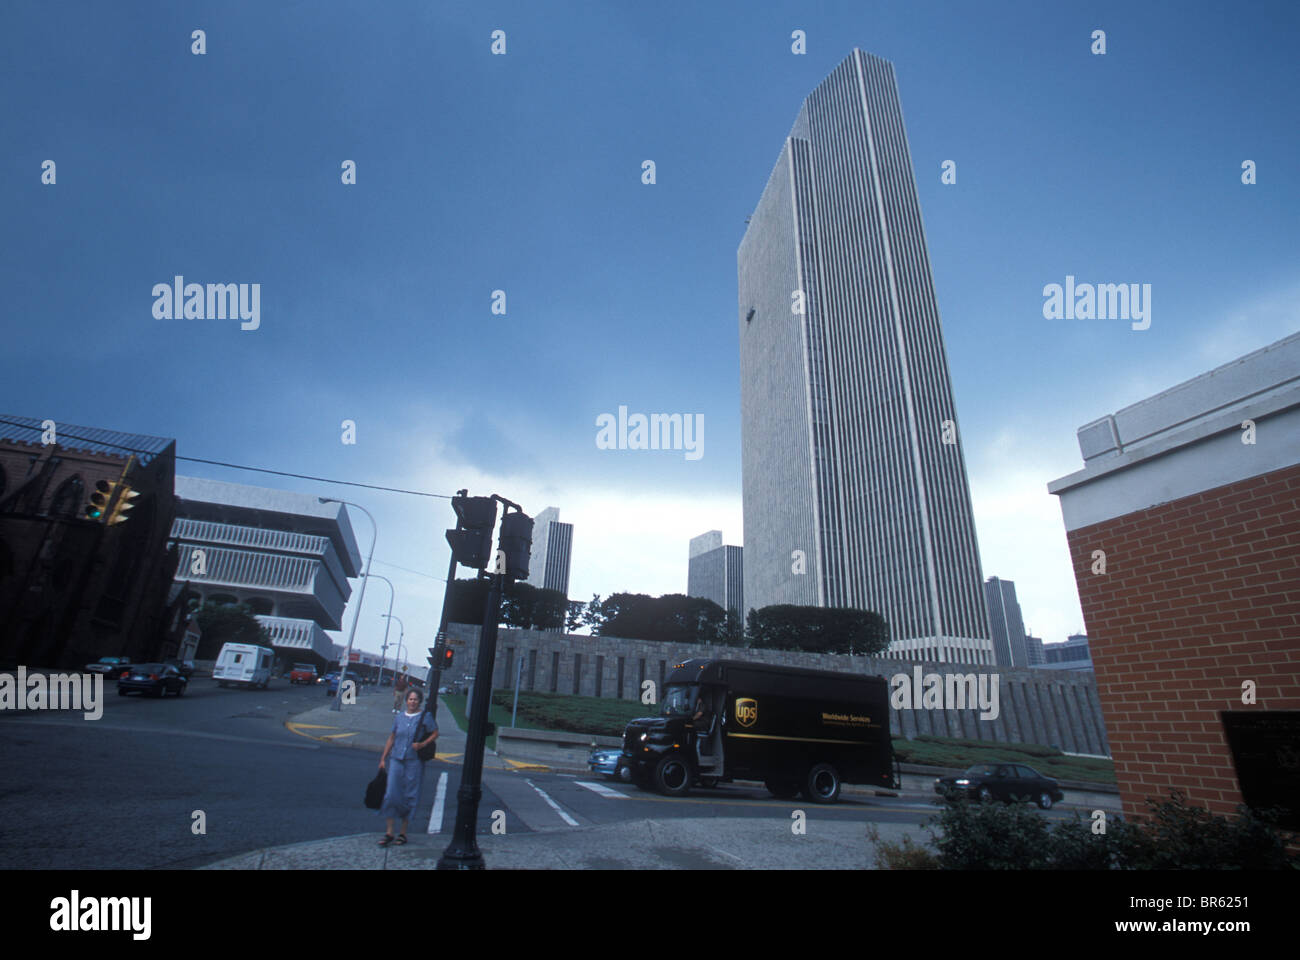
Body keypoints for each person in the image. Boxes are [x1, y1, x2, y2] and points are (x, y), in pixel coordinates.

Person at [377, 688, 438, 846]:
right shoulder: (399, 717)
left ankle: (403, 833)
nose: (412, 702)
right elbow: (392, 738)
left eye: (415, 699)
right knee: (391, 794)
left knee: (410, 795)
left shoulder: (426, 716)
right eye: (410, 699)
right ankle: (389, 832)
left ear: (419, 701)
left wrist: (422, 744)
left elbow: (435, 733)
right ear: (406, 701)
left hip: (414, 760)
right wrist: (383, 758)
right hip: (396, 758)